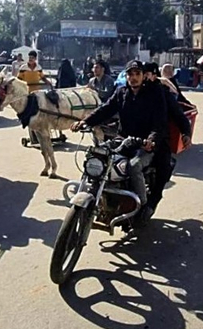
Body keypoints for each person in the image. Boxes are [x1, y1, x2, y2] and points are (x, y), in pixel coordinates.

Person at [71, 60, 168, 220]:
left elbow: (160, 122)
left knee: (134, 165)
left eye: (137, 74)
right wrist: (85, 122)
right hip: (123, 139)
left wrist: (151, 140)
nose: (134, 77)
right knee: (96, 154)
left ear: (144, 76)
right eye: (130, 74)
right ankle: (99, 194)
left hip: (144, 144)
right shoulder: (121, 92)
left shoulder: (154, 94)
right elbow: (105, 109)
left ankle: (142, 205)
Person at [143, 62, 191, 212]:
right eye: (133, 74)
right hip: (131, 137)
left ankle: (152, 201)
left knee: (162, 165)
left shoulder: (163, 92)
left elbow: (178, 114)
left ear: (153, 74)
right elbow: (111, 107)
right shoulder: (128, 91)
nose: (140, 77)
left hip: (156, 137)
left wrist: (186, 132)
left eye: (145, 73)